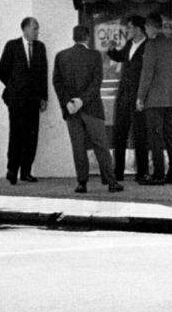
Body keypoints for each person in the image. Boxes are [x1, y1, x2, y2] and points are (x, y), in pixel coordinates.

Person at [52, 24, 125, 194]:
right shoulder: (95, 55)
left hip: (71, 110)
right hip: (92, 108)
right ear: (87, 37)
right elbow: (96, 82)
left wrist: (68, 102)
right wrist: (82, 100)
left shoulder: (61, 56)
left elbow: (57, 82)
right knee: (101, 145)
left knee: (78, 146)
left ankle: (82, 183)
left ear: (73, 37)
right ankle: (111, 182)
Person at [0, 16, 48, 185]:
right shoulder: (12, 46)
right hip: (17, 100)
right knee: (16, 135)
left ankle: (26, 171)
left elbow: (43, 74)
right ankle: (12, 170)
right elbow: (1, 70)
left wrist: (43, 97)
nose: (37, 31)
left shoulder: (40, 48)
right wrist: (13, 86)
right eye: (34, 28)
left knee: (31, 137)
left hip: (33, 100)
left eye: (37, 28)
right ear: (25, 29)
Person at [136, 12, 172, 185]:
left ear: (151, 27)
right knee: (170, 135)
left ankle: (159, 174)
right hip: (171, 98)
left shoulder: (151, 45)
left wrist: (140, 97)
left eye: (146, 27)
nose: (145, 30)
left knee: (156, 137)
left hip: (154, 100)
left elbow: (147, 73)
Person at [106, 14, 149, 184]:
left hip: (138, 98)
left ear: (138, 29)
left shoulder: (147, 46)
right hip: (124, 96)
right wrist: (111, 50)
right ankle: (118, 173)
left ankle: (142, 173)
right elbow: (120, 57)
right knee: (120, 134)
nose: (127, 30)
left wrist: (143, 97)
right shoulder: (130, 44)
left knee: (140, 135)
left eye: (130, 27)